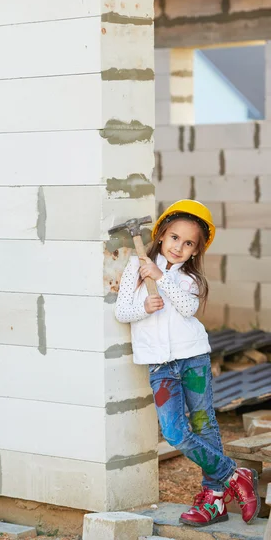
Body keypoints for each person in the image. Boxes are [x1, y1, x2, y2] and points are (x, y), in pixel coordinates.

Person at [115, 200, 260, 527]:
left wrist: (161, 278)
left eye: (188, 243)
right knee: (175, 433)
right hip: (160, 365)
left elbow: (187, 308)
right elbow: (122, 311)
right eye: (174, 238)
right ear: (161, 235)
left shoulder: (189, 279)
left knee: (203, 424)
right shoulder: (135, 268)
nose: (179, 247)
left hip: (192, 358)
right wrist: (145, 308)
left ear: (196, 250)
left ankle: (214, 500)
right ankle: (235, 475)